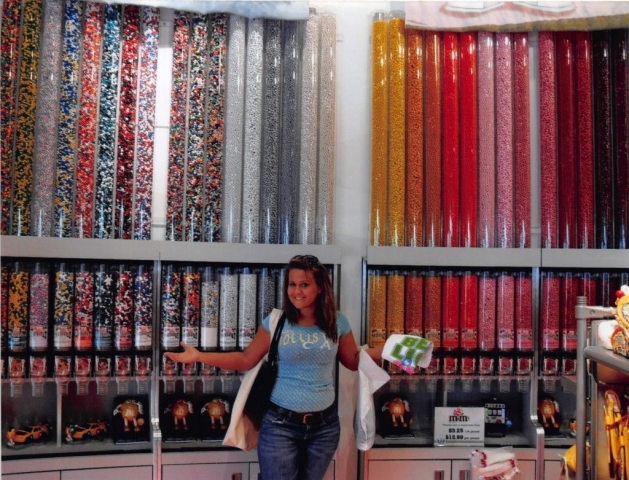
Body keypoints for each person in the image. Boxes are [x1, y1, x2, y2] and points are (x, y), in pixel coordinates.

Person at [165, 254, 383, 480]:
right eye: (292, 284)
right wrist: (200, 356)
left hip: (324, 428)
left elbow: (353, 361)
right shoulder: (277, 321)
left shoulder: (336, 322)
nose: (296, 291)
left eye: (304, 285)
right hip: (280, 426)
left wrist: (390, 350)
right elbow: (246, 359)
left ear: (320, 287)